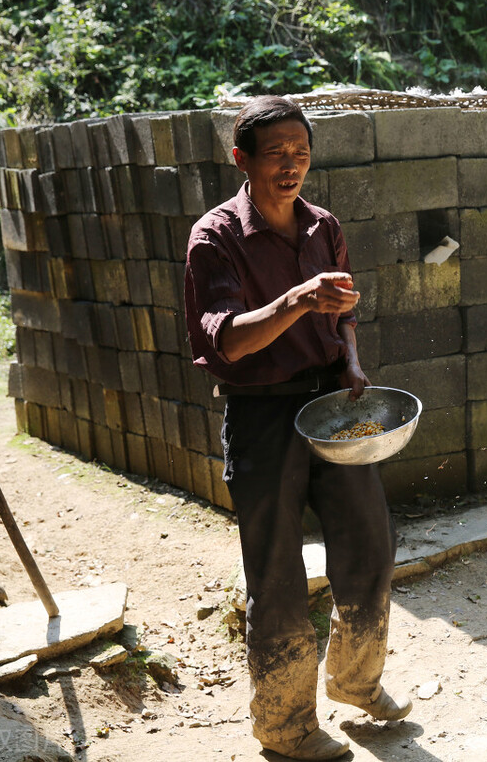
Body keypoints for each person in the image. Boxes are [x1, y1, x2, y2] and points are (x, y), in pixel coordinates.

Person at [183, 95, 410, 760]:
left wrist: (354, 360)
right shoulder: (215, 237)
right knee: (278, 575)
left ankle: (357, 681)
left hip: (333, 409)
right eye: (276, 154)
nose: (291, 166)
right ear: (242, 160)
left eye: (301, 153)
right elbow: (224, 340)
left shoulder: (322, 226)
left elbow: (343, 315)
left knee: (371, 546)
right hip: (261, 414)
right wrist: (296, 298)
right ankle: (285, 726)